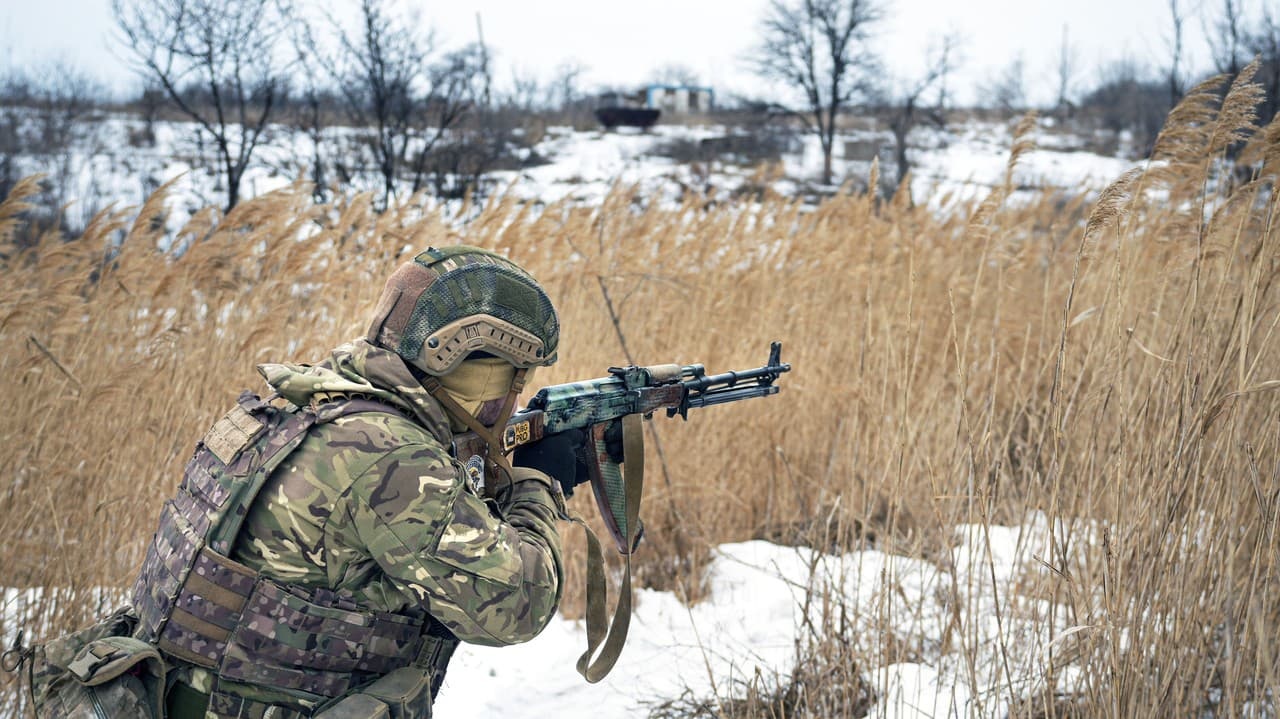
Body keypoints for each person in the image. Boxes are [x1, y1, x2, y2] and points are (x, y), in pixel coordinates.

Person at [130, 246, 586, 718]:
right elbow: (516, 607)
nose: (513, 401)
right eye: (513, 382)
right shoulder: (392, 456)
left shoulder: (307, 403)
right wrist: (539, 483)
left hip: (172, 694)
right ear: (473, 375)